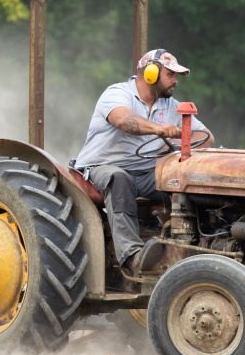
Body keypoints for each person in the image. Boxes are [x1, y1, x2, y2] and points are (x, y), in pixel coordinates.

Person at [74, 49, 215, 274]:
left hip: (147, 173)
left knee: (184, 182)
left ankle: (195, 248)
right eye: (170, 74)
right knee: (119, 179)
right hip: (102, 168)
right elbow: (124, 120)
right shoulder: (117, 93)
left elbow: (206, 137)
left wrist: (173, 146)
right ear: (151, 73)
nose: (175, 81)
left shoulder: (171, 105)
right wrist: (159, 129)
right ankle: (133, 257)